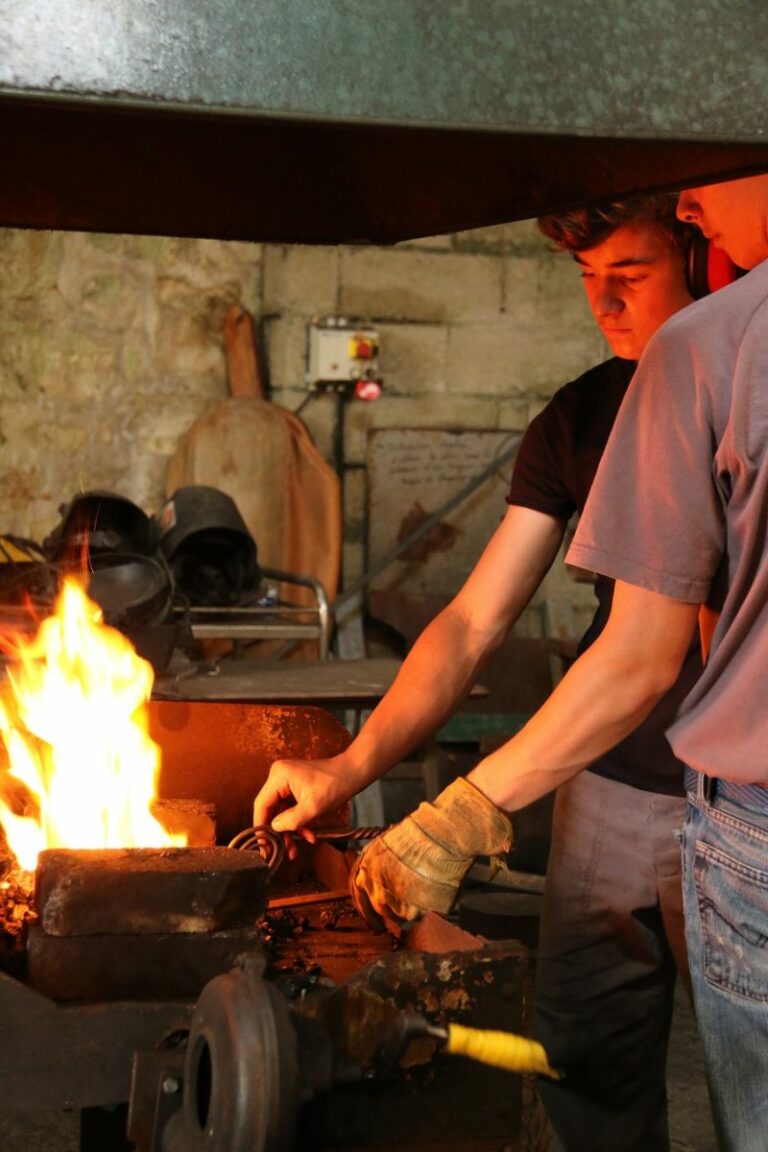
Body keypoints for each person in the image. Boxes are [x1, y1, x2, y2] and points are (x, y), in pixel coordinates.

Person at [254, 194, 702, 1151]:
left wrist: (455, 818)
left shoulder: (738, 396)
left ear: (699, 256)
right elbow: (469, 625)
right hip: (610, 785)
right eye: (588, 279)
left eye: (630, 276)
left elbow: (642, 655)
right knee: (585, 1076)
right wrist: (351, 766)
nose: (604, 305)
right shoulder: (581, 417)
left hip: (742, 796)